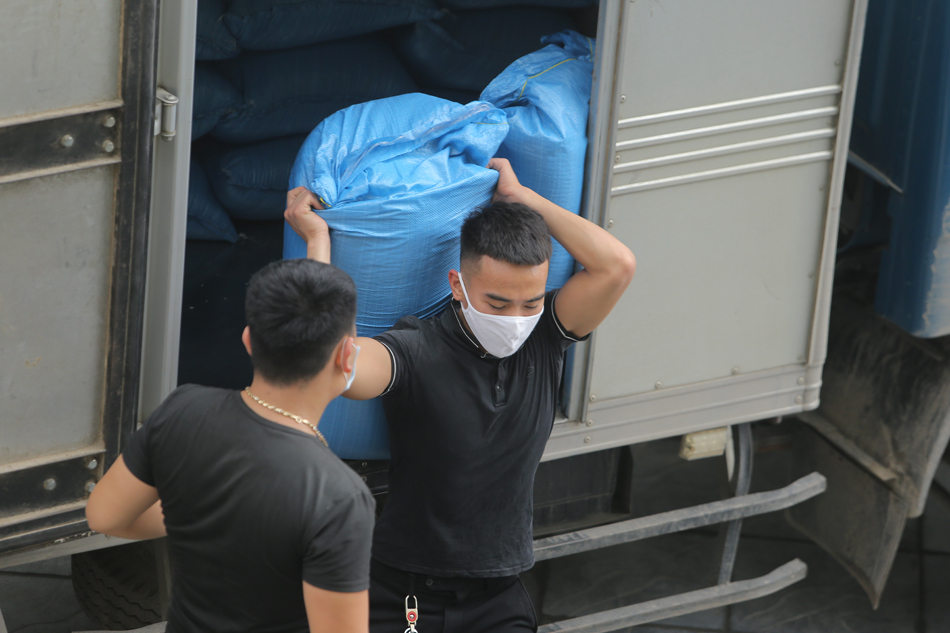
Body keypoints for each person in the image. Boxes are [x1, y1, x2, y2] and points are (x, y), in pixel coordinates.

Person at [284, 158, 636, 633]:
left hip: (500, 592)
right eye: (497, 303)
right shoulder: (416, 350)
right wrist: (317, 241)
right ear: (457, 285)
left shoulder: (546, 338)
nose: (515, 320)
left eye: (531, 303)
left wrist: (523, 199)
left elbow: (616, 265)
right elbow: (333, 363)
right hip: (406, 590)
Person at [85, 259, 376, 633]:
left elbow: (104, 517)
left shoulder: (182, 410)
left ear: (249, 340)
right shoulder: (339, 497)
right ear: (347, 356)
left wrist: (197, 514)